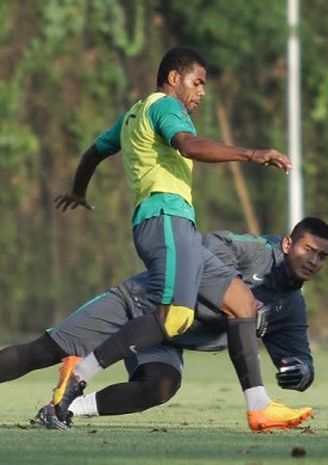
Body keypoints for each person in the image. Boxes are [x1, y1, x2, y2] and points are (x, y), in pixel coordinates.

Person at [51, 46, 293, 427]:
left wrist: (80, 191)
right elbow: (188, 145)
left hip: (180, 227)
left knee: (242, 303)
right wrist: (251, 153)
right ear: (173, 77)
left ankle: (259, 407)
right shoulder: (165, 105)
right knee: (175, 318)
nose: (201, 92)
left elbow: (93, 153)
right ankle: (80, 373)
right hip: (165, 219)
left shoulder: (133, 114)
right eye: (198, 82)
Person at [0, 217, 328, 431]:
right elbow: (203, 247)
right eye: (308, 250)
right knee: (42, 352)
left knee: (159, 387)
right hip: (137, 301)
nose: (313, 261)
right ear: (288, 244)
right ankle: (74, 365)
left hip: (168, 336)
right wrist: (235, 291)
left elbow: (302, 361)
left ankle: (63, 407)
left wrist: (300, 372)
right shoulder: (255, 251)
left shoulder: (290, 307)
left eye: (321, 256)